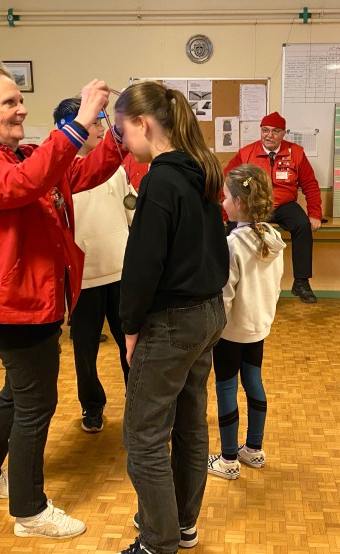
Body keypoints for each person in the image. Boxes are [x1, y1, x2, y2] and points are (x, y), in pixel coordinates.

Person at [0, 52, 123, 539]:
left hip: (34, 304)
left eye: (20, 100)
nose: (21, 109)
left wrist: (113, 130)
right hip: (14, 310)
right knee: (35, 404)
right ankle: (30, 511)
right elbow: (25, 185)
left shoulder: (23, 155)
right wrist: (81, 119)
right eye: (8, 103)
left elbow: (82, 173)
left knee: (18, 391)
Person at [114, 81, 229, 554]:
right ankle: (181, 525)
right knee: (189, 425)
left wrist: (130, 328)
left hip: (172, 323)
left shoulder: (160, 180)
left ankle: (157, 542)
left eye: (123, 131)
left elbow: (143, 265)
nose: (123, 142)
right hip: (207, 314)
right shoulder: (201, 169)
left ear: (144, 124)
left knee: (143, 436)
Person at [52, 96, 136, 433]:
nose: (101, 128)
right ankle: (92, 405)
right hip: (83, 279)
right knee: (85, 350)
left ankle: (137, 401)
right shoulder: (58, 174)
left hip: (120, 272)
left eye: (102, 122)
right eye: (95, 122)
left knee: (130, 343)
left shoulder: (114, 168)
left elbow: (130, 209)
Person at [207, 164, 285, 481]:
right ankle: (253, 449)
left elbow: (225, 295)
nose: (222, 201)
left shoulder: (233, 244)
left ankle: (228, 460)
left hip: (231, 332)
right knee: (253, 381)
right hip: (258, 328)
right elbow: (276, 286)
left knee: (226, 388)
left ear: (238, 202)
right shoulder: (274, 238)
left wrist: (213, 329)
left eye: (226, 196)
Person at [224, 111, 322, 304]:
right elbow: (228, 181)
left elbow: (310, 184)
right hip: (255, 203)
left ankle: (301, 282)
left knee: (302, 225)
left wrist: (315, 214)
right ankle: (230, 280)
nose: (269, 135)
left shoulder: (296, 153)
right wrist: (226, 213)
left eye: (275, 131)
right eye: (265, 130)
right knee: (234, 229)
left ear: (283, 133)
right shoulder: (246, 153)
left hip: (284, 205)